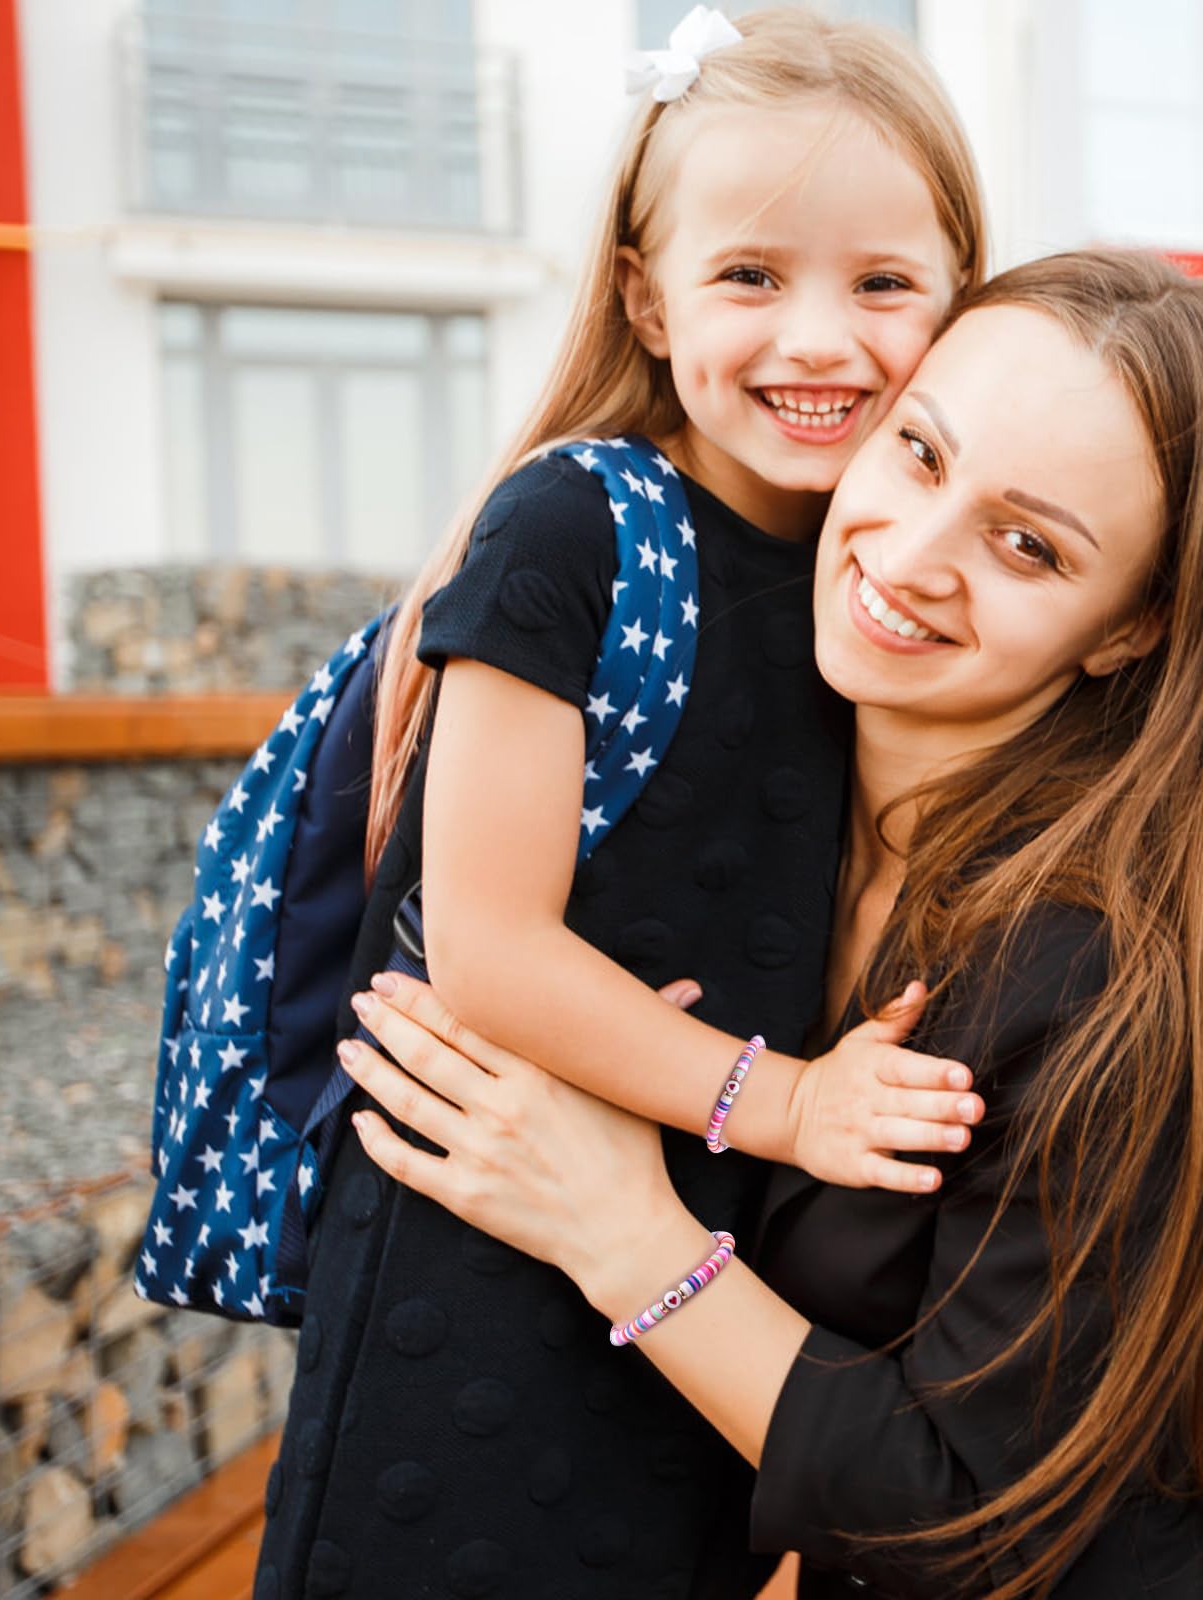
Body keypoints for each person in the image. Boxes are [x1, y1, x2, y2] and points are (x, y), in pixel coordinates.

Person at [338, 249, 1203, 1599]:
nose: (914, 556)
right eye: (922, 452)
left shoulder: (1102, 974)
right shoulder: (768, 769)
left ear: (1132, 629)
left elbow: (980, 1520)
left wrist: (623, 1230)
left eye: (1028, 546)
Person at [256, 11, 993, 1599]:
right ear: (649, 299)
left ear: (960, 297)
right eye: (752, 276)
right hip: (474, 1262)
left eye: (883, 283)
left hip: (692, 1271)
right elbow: (487, 948)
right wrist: (790, 1105)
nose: (821, 341)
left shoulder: (875, 582)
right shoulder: (575, 530)